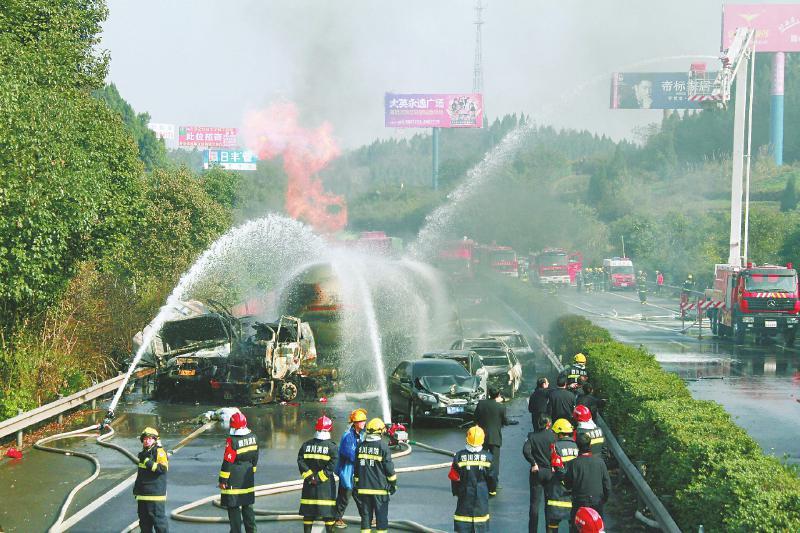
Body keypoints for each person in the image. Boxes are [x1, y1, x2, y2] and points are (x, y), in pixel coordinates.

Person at [449, 426, 495, 532]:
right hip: (482, 496)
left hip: (464, 495)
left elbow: (454, 477)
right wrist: (491, 492)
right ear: (483, 440)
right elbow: (492, 478)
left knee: (462, 519)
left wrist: (456, 492)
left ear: (467, 439)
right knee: (481, 521)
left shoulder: (459, 457)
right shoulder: (488, 457)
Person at [474, 386, 518, 496]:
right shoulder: (501, 407)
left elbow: (476, 418)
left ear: (488, 394)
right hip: (495, 437)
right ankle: (493, 484)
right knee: (494, 462)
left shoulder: (481, 404)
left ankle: (480, 480)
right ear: (498, 395)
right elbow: (505, 421)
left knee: (481, 459)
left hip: (482, 437)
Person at [355, 418, 397, 533]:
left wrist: (358, 483)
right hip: (380, 490)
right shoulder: (383, 447)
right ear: (380, 432)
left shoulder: (360, 446)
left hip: (363, 490)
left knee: (366, 518)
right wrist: (393, 484)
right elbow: (389, 469)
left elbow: (356, 469)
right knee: (381, 518)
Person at [298, 416, 339, 533]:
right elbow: (332, 465)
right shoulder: (332, 447)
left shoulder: (306, 445)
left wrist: (310, 476)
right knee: (328, 513)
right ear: (329, 429)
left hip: (309, 484)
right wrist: (320, 477)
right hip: (325, 485)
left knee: (308, 513)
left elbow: (300, 461)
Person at [219, 412, 259, 533]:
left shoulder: (232, 441)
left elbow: (227, 462)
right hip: (248, 476)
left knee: (233, 507)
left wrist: (222, 480)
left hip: (234, 478)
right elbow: (255, 457)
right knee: (248, 507)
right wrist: (252, 470)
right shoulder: (254, 437)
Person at [564, 433, 612, 530]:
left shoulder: (572, 464)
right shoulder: (600, 462)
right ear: (590, 445)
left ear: (577, 446)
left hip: (579, 503)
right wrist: (603, 500)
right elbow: (607, 485)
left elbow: (567, 485)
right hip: (596, 503)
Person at [333, 408, 367, 528]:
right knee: (344, 495)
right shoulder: (348, 436)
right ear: (356, 423)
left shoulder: (361, 435)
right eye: (362, 421)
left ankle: (367, 518)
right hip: (347, 471)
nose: (364, 423)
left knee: (360, 496)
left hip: (357, 472)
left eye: (364, 421)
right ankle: (337, 519)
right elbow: (348, 454)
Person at [522, 415, 556, 533]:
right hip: (550, 472)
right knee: (549, 504)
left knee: (534, 504)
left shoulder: (532, 436)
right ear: (549, 424)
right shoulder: (553, 436)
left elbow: (526, 450)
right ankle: (549, 530)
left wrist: (533, 463)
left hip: (537, 472)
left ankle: (532, 530)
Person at [545, 419, 579, 531]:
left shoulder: (555, 447)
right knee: (573, 522)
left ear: (559, 433)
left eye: (554, 433)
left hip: (558, 491)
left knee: (553, 522)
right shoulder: (577, 447)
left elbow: (557, 468)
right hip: (574, 490)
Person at [133, 427, 169, 533]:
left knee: (159, 524)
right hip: (142, 495)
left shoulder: (159, 452)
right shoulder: (144, 453)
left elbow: (162, 469)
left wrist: (147, 461)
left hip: (155, 496)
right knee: (144, 524)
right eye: (145, 438)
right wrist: (136, 490)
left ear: (155, 440)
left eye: (150, 438)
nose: (146, 440)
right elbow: (141, 475)